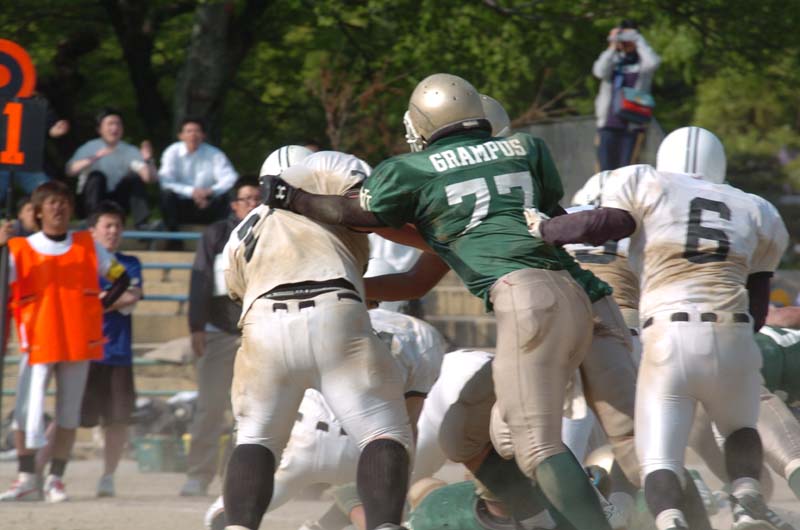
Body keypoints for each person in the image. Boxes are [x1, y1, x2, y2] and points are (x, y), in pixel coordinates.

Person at [263, 74, 613, 529]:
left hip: (557, 313)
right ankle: (563, 514)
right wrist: (355, 290)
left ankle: (597, 512)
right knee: (465, 435)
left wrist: (298, 201)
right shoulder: (495, 193)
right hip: (570, 311)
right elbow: (420, 277)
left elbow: (371, 218)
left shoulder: (468, 191)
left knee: (532, 439)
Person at [529, 127, 789, 530]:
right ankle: (745, 499)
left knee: (655, 455)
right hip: (730, 329)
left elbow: (604, 222)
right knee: (738, 427)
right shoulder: (756, 208)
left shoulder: (643, 184)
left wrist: (545, 229)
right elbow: (757, 300)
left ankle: (667, 519)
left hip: (660, 333)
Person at [222, 146, 414, 530]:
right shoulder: (328, 176)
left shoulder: (246, 227)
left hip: (263, 322)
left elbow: (234, 290)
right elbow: (372, 209)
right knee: (383, 432)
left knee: (256, 438)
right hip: (334, 307)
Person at [204, 299, 447, 530]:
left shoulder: (317, 315)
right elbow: (409, 421)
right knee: (379, 509)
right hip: (369, 447)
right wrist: (398, 480)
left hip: (301, 441)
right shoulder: (422, 334)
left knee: (227, 514)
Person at [0, 181, 130, 503]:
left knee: (68, 414)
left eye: (64, 202)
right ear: (38, 211)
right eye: (52, 203)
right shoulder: (20, 248)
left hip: (77, 341)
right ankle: (26, 478)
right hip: (38, 341)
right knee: (25, 411)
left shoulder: (87, 245)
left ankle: (55, 479)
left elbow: (121, 277)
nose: (58, 208)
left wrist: (99, 305)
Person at [179, 176, 262, 497]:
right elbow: (200, 279)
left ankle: (239, 477)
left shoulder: (275, 231)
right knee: (210, 407)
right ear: (234, 205)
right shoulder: (215, 234)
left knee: (253, 409)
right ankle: (198, 475)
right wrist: (196, 326)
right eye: (246, 198)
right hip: (219, 331)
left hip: (260, 333)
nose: (252, 204)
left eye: (257, 198)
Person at [80, 200, 143, 497]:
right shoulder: (82, 261)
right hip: (85, 352)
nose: (113, 231)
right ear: (92, 231)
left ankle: (108, 476)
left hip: (118, 353)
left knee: (117, 421)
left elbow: (132, 295)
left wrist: (94, 301)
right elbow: (79, 300)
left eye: (118, 226)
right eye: (108, 225)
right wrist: (109, 299)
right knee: (70, 417)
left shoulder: (129, 263)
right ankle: (47, 474)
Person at [65, 108, 156, 227]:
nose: (115, 128)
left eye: (118, 124)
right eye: (110, 124)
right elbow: (69, 170)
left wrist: (147, 160)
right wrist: (93, 158)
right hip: (89, 202)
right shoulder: (89, 147)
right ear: (99, 129)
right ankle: (92, 222)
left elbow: (148, 178)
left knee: (134, 178)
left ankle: (142, 224)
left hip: (116, 202)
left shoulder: (129, 150)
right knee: (97, 176)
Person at [592, 19, 660, 171]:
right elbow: (599, 71)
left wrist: (638, 40)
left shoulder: (642, 62)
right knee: (604, 170)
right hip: (608, 124)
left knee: (628, 170)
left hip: (632, 126)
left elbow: (653, 63)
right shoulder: (614, 60)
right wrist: (612, 47)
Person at [158, 117, 239, 233]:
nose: (193, 135)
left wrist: (210, 191)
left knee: (229, 195)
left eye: (197, 131)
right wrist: (191, 192)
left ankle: (224, 234)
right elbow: (165, 181)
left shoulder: (214, 153)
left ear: (203, 135)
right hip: (181, 205)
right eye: (189, 131)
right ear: (181, 135)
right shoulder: (172, 152)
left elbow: (231, 178)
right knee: (166, 195)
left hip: (208, 203)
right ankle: (172, 238)